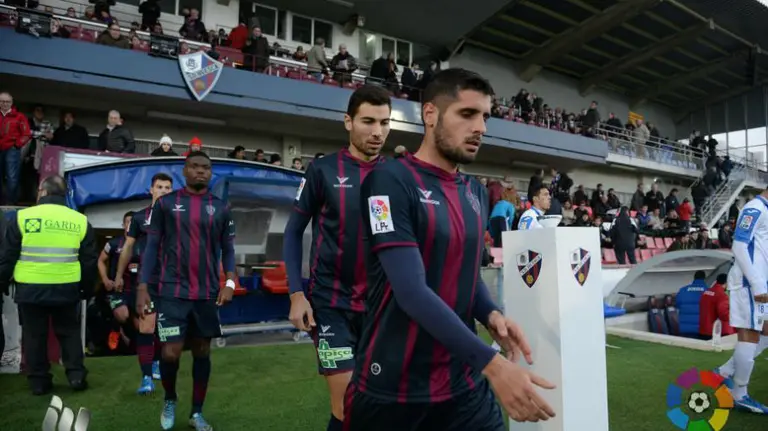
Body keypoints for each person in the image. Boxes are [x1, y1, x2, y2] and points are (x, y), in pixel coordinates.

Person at [346, 68, 556, 430]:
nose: (480, 128)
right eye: (467, 114)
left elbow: (466, 275)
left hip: (464, 384)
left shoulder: (475, 192)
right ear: (430, 114)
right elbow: (410, 292)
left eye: (485, 117)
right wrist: (493, 365)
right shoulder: (388, 182)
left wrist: (491, 314)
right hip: (395, 390)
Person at [283, 84, 392, 431]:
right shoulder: (322, 170)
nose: (377, 132)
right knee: (347, 407)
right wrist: (296, 294)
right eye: (368, 121)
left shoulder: (397, 175)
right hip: (331, 304)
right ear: (348, 122)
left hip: (383, 307)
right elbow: (292, 232)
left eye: (385, 123)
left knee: (380, 406)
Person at [137, 152, 236, 431]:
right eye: (195, 166)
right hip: (171, 291)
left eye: (206, 168)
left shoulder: (221, 207)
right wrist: (143, 286)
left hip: (206, 293)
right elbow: (152, 247)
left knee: (202, 350)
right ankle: (170, 398)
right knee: (170, 352)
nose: (201, 171)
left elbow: (228, 250)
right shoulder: (166, 204)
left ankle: (196, 412)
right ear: (185, 170)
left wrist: (229, 283)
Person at [0, 175, 98, 395]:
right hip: (67, 287)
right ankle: (76, 376)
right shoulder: (80, 221)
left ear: (42, 192)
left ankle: (39, 382)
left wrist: (2, 281)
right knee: (69, 332)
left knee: (34, 335)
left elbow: (7, 256)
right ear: (64, 194)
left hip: (30, 288)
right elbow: (89, 261)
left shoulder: (22, 218)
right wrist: (87, 288)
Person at [114, 172, 174, 394]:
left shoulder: (180, 218)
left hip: (172, 281)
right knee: (146, 327)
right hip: (147, 282)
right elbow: (128, 248)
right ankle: (147, 378)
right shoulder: (140, 218)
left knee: (166, 329)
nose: (163, 191)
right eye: (159, 187)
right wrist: (119, 275)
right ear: (151, 190)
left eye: (167, 188)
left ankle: (157, 362)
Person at [714, 191, 768, 413]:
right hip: (749, 284)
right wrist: (757, 283)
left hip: (759, 283)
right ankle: (739, 394)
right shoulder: (755, 208)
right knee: (750, 334)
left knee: (765, 332)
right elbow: (739, 246)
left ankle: (724, 372)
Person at [699, 273, 735, 338]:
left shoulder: (705, 292)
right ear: (726, 283)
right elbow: (724, 315)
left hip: (703, 329)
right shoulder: (722, 295)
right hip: (713, 331)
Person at [675, 271, 708, 338]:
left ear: (694, 278)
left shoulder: (683, 290)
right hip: (703, 329)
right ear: (704, 278)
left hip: (685, 329)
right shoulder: (708, 291)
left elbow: (677, 305)